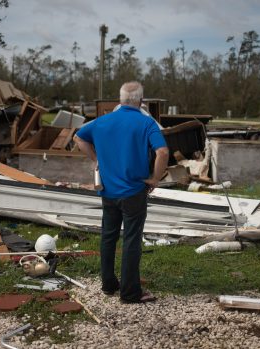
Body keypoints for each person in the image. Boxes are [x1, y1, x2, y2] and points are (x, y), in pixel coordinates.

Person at [73, 81, 169, 303]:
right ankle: (130, 293)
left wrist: (96, 160)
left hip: (108, 191)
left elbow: (79, 138)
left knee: (108, 237)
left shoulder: (102, 121)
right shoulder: (146, 123)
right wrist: (155, 179)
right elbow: (162, 152)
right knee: (131, 240)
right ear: (141, 101)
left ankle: (108, 284)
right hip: (134, 191)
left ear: (121, 99)